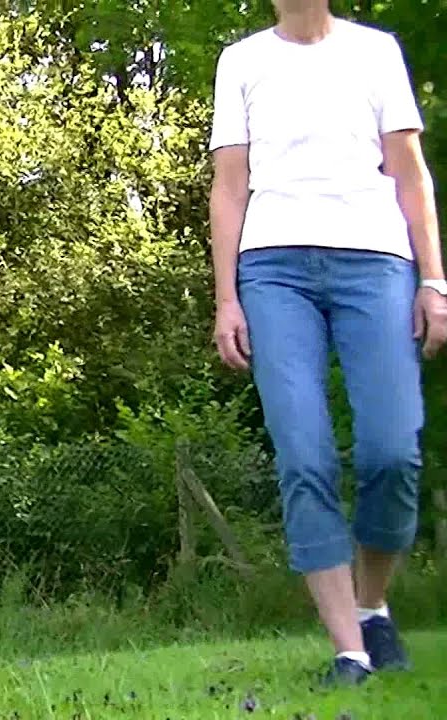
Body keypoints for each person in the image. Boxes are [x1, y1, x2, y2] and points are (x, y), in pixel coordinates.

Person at [208, 0, 446, 687]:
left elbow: (410, 173)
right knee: (304, 456)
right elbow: (229, 188)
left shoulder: (376, 52)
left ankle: (373, 605)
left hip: (375, 262)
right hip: (274, 269)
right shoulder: (242, 62)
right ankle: (350, 653)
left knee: (392, 451)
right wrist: (227, 297)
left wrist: (434, 281)